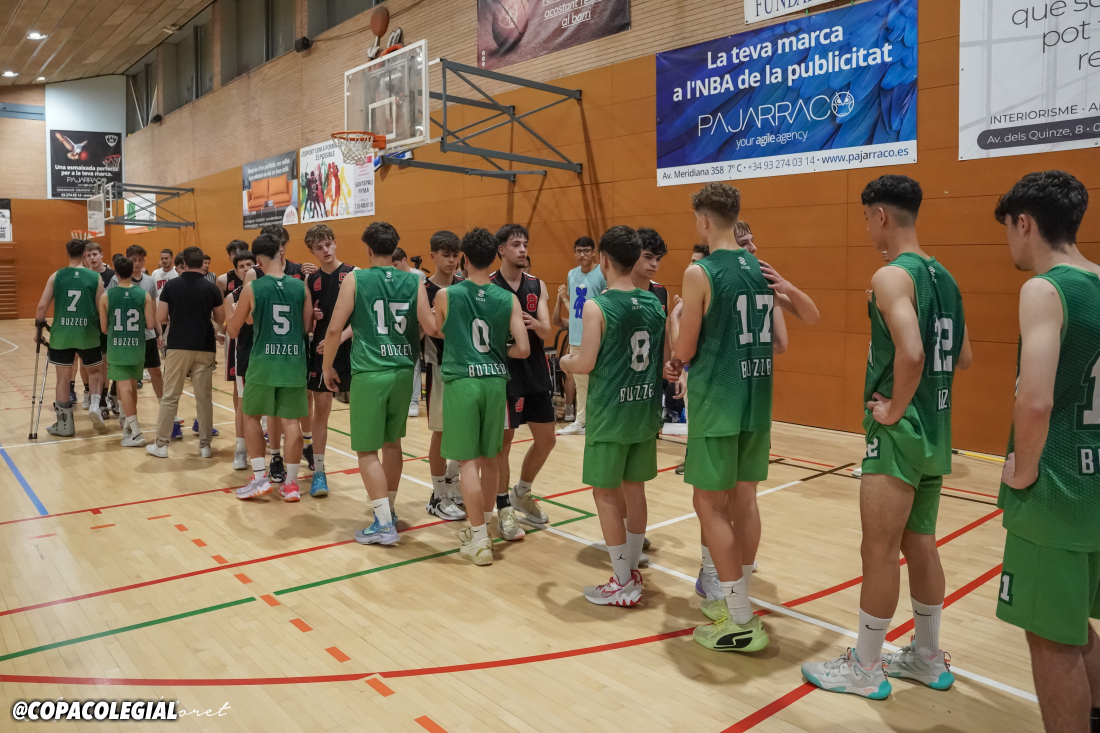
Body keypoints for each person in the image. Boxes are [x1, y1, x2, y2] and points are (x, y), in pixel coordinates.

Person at [801, 175, 972, 698]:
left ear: (879, 215)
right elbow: (961, 358)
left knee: (877, 548)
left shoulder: (891, 276)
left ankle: (867, 666)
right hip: (937, 429)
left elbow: (914, 354)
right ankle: (925, 655)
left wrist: (894, 409)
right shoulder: (945, 278)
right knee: (920, 542)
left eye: (865, 218)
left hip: (900, 433)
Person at [989, 171, 1100, 733]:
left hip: (1056, 490)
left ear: (1024, 222)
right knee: (1076, 622)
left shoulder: (1045, 289)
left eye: (1009, 228)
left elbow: (1035, 401)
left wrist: (1023, 471)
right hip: (1097, 485)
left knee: (1052, 637)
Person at [673, 182, 788, 654]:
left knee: (708, 505)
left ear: (702, 219)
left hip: (717, 399)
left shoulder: (700, 272)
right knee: (746, 501)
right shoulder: (758, 268)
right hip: (756, 397)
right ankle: (736, 603)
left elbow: (687, 347)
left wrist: (677, 348)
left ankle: (739, 617)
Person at [681, 219, 822, 597]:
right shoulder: (739, 278)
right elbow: (780, 341)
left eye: (753, 241)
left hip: (722, 395)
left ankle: (719, 574)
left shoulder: (744, 278)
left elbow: (791, 332)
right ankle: (728, 572)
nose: (754, 249)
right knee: (737, 496)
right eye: (745, 241)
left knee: (713, 497)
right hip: (753, 396)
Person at [560, 226, 670, 606]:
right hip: (643, 410)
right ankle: (633, 564)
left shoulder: (599, 305)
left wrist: (564, 360)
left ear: (604, 260)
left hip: (610, 411)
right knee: (634, 489)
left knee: (606, 494)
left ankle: (623, 581)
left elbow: (585, 362)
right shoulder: (655, 303)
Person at [323, 222, 437, 544]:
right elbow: (430, 326)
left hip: (371, 372)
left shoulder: (356, 278)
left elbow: (334, 330)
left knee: (366, 450)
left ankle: (384, 525)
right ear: (394, 247)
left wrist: (327, 366)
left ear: (369, 250)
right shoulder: (414, 280)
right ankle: (388, 510)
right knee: (392, 444)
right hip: (403, 371)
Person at [433, 228, 530, 565]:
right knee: (491, 460)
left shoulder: (448, 295)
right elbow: (524, 347)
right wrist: (496, 352)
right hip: (495, 384)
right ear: (493, 257)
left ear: (463, 258)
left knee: (469, 464)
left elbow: (436, 330)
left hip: (462, 383)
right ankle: (483, 530)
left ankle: (478, 540)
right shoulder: (509, 299)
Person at [229, 233, 312, 501]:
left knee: (251, 416)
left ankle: (260, 478)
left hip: (263, 363)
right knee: (291, 423)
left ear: (256, 260)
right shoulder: (301, 287)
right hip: (293, 363)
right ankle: (290, 484)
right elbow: (308, 327)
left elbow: (233, 329)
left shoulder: (253, 288)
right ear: (281, 252)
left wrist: (237, 313)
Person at [491, 224, 555, 530]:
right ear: (501, 249)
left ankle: (522, 492)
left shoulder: (537, 284)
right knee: (504, 443)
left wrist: (532, 323)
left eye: (525, 244)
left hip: (535, 372)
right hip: (505, 375)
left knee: (547, 440)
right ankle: (503, 505)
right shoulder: (490, 286)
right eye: (516, 244)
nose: (522, 250)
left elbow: (547, 329)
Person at [244, 224, 316, 476]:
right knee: (278, 416)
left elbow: (239, 321)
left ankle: (303, 449)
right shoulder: (255, 275)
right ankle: (277, 459)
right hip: (281, 354)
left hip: (278, 355)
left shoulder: (301, 273)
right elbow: (307, 324)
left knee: (280, 414)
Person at [146, 244, 224, 458]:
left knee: (170, 395)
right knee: (204, 398)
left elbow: (160, 318)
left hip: (178, 345)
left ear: (184, 263)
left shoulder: (171, 286)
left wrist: (178, 317)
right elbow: (219, 319)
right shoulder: (212, 288)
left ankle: (161, 445)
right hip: (205, 347)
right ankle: (205, 445)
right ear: (202, 264)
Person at [34, 238, 106, 435]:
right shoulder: (95, 278)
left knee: (63, 380)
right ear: (85, 254)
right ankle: (94, 405)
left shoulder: (56, 276)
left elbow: (42, 306)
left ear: (67, 254)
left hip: (62, 336)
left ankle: (65, 424)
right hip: (88, 334)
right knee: (95, 372)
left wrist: (38, 329)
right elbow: (102, 308)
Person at [305, 224, 354, 498]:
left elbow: (361, 321)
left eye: (328, 244)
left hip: (351, 351)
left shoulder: (353, 273)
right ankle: (319, 472)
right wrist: (313, 317)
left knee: (362, 414)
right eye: (319, 247)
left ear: (335, 243)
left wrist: (339, 338)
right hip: (321, 351)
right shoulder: (311, 281)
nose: (325, 250)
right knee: (320, 414)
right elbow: (308, 323)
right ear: (312, 251)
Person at [423, 230, 467, 520]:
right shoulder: (423, 289)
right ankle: (437, 496)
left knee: (465, 428)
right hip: (438, 365)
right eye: (446, 254)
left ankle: (453, 479)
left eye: (455, 255)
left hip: (465, 366)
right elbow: (430, 330)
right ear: (433, 256)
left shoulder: (464, 286)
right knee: (441, 432)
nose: (451, 260)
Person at [99, 257, 158, 447]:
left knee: (123, 388)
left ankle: (136, 432)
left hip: (117, 346)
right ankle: (128, 427)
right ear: (132, 271)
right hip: (137, 346)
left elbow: (104, 328)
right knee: (132, 387)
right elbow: (150, 324)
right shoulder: (144, 295)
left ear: (115, 273)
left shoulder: (106, 296)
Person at [558, 236, 606, 436]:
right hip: (576, 335)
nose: (582, 255)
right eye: (578, 251)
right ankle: (581, 420)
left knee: (598, 379)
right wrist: (562, 299)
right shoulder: (572, 274)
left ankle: (597, 419)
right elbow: (575, 309)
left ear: (594, 252)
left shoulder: (601, 274)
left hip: (595, 336)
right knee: (580, 381)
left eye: (586, 250)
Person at [108, 245, 164, 403]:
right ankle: (124, 412)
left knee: (156, 372)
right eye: (134, 260)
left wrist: (159, 333)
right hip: (126, 337)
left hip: (147, 335)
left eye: (140, 260)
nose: (137, 263)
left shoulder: (149, 281)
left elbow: (154, 308)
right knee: (128, 377)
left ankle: (166, 410)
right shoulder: (115, 280)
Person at [224, 250, 257, 469]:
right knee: (243, 405)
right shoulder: (231, 296)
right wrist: (242, 314)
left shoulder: (265, 290)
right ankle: (240, 449)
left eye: (249, 264)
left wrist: (243, 314)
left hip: (267, 354)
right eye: (241, 266)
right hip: (244, 353)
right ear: (236, 271)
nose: (246, 269)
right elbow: (233, 331)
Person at [81, 241, 115, 417]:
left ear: (101, 254)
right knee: (86, 362)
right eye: (88, 255)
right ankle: (88, 391)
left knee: (105, 362)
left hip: (106, 326)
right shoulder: (84, 276)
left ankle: (103, 398)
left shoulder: (112, 275)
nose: (92, 258)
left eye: (95, 254)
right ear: (84, 258)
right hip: (88, 325)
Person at [393, 246, 427, 416]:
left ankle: (414, 401)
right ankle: (403, 399)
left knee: (414, 364)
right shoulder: (394, 278)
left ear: (405, 260)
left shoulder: (418, 276)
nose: (394, 268)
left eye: (396, 264)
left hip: (418, 324)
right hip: (400, 325)